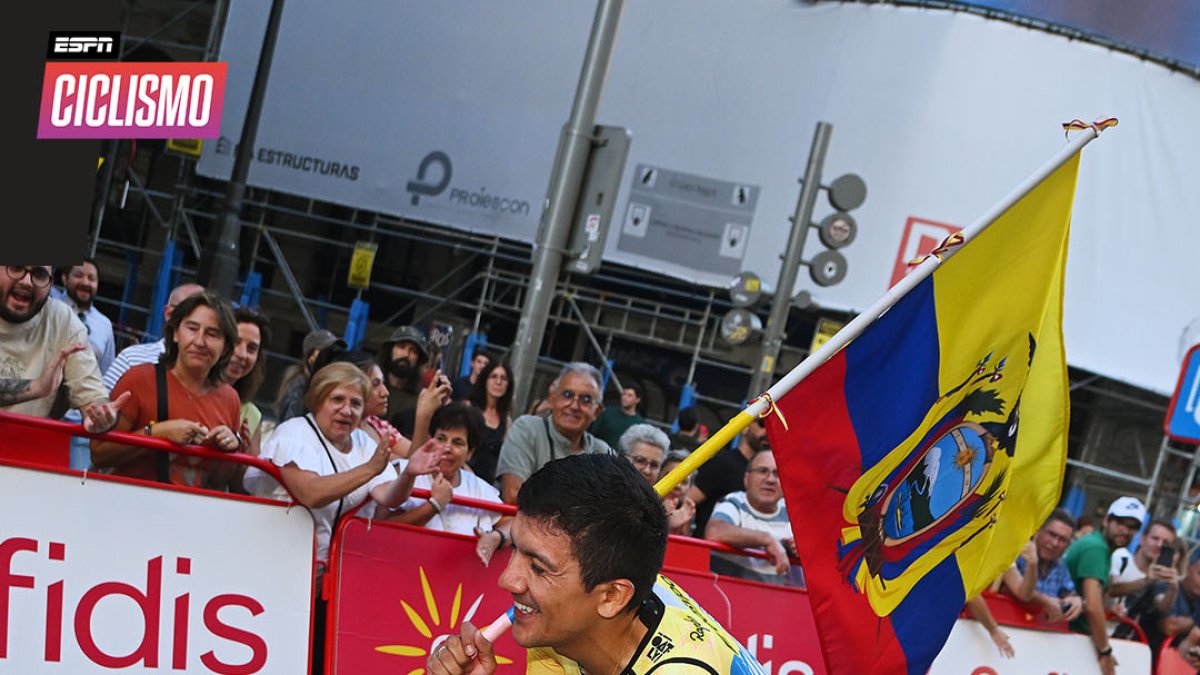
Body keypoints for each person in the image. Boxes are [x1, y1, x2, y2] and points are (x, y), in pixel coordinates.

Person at [425, 454, 766, 675]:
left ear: (612, 598)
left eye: (539, 568)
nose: (508, 580)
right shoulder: (568, 626)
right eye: (515, 548)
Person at [242, 361, 445, 674]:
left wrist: (410, 474)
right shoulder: (294, 433)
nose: (346, 410)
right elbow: (310, 492)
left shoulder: (364, 443)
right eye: (337, 400)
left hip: (329, 581)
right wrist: (369, 470)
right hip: (276, 570)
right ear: (317, 399)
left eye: (355, 403)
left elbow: (388, 496)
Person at [91, 291, 244, 489]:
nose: (199, 341)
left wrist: (231, 445)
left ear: (225, 347)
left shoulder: (229, 399)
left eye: (212, 334)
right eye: (192, 328)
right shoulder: (140, 379)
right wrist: (157, 433)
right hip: (130, 507)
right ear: (174, 334)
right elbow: (99, 453)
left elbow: (218, 482)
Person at [0, 265, 125, 434]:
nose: (27, 282)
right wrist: (35, 387)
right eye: (16, 267)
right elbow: (39, 387)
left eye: (39, 274)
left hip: (22, 452)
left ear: (51, 283)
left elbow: (92, 395)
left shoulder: (64, 322)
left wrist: (101, 414)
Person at [380, 403, 509, 558]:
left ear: (470, 452)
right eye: (441, 438)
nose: (447, 448)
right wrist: (433, 506)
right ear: (430, 440)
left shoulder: (479, 488)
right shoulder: (402, 472)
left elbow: (514, 523)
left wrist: (496, 537)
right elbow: (380, 526)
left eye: (457, 442)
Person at [495, 362, 615, 504]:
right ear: (552, 399)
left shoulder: (603, 453)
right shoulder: (528, 429)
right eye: (567, 395)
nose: (574, 406)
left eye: (586, 399)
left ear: (597, 411)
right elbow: (513, 495)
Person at [1064, 495, 1147, 675]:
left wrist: (1146, 581)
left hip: (1074, 636)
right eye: (1120, 523)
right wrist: (1105, 651)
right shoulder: (1096, 548)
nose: (1125, 530)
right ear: (1106, 520)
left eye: (1133, 527)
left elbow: (1101, 595)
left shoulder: (1101, 546)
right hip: (1068, 636)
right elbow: (1094, 606)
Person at [704, 449, 798, 586]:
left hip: (778, 600)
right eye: (762, 471)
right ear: (746, 479)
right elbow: (714, 532)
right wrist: (767, 539)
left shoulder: (793, 513)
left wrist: (802, 547)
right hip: (730, 597)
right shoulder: (734, 502)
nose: (770, 479)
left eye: (777, 474)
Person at [102, 282, 205, 391]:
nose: (200, 340)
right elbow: (102, 403)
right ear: (169, 314)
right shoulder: (132, 359)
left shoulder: (213, 376)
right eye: (190, 314)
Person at [1108, 517, 1181, 659]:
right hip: (1094, 633)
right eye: (1155, 538)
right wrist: (1147, 580)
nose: (1159, 545)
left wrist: (1173, 588)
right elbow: (1109, 590)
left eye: (1165, 543)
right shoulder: (1121, 558)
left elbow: (1162, 606)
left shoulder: (1159, 579)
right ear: (1142, 539)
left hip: (1122, 645)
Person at [688, 417, 769, 536]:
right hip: (710, 548)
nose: (767, 432)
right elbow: (688, 502)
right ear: (745, 427)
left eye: (772, 427)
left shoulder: (771, 475)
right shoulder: (722, 464)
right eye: (762, 424)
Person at [1008, 509, 1084, 623]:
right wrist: (1044, 600)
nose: (1055, 543)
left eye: (1062, 540)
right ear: (1038, 531)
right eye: (1052, 534)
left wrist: (1076, 600)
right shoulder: (1015, 554)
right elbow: (1019, 591)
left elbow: (1068, 592)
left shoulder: (1060, 564)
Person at [225, 305, 271, 457]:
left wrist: (242, 456)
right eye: (235, 342)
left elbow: (246, 479)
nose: (242, 354)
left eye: (251, 348)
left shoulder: (251, 415)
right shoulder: (189, 392)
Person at [275, 328, 345, 423]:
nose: (331, 356)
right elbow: (291, 422)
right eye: (326, 351)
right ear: (311, 357)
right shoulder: (300, 384)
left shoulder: (323, 383)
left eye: (335, 351)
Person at [378, 324, 432, 437]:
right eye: (401, 347)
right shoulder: (372, 388)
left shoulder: (421, 400)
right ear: (390, 350)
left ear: (418, 360)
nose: (406, 354)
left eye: (413, 351)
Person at [466, 360, 513, 485]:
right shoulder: (468, 409)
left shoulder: (506, 420)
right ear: (485, 380)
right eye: (494, 377)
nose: (498, 382)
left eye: (503, 378)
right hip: (464, 478)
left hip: (488, 485)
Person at [589, 383, 645, 449]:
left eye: (630, 395)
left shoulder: (640, 423)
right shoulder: (607, 413)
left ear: (637, 400)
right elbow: (593, 435)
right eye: (624, 394)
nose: (625, 398)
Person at [659, 449, 697, 536]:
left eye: (684, 482)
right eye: (672, 477)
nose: (677, 485)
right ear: (658, 475)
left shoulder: (689, 512)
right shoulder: (641, 505)